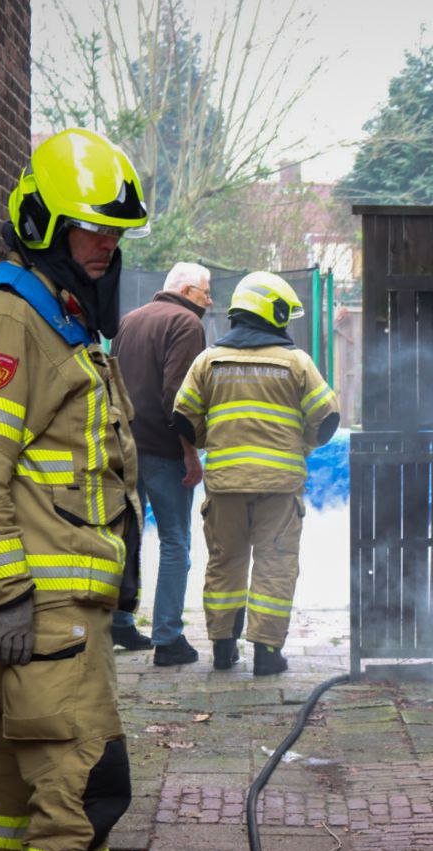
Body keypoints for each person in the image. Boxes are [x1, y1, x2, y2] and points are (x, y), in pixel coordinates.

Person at [0, 127, 148, 851]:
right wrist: (9, 596)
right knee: (82, 800)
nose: (106, 245)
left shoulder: (60, 318)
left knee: (1, 793)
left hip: (61, 612)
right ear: (44, 223)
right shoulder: (10, 315)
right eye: (92, 226)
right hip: (44, 611)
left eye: (115, 232)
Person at [172, 271, 339, 676]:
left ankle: (223, 649)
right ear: (272, 312)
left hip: (226, 484)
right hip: (279, 489)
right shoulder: (296, 362)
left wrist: (211, 440)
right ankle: (267, 653)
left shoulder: (209, 360)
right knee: (275, 564)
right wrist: (303, 444)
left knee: (225, 563)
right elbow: (328, 416)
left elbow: (182, 415)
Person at [109, 262, 212, 662]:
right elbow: (178, 396)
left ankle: (120, 622)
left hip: (124, 447)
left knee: (127, 535)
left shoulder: (129, 321)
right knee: (175, 542)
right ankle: (168, 638)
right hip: (164, 451)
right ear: (186, 291)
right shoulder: (187, 324)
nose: (209, 300)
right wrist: (190, 451)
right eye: (205, 292)